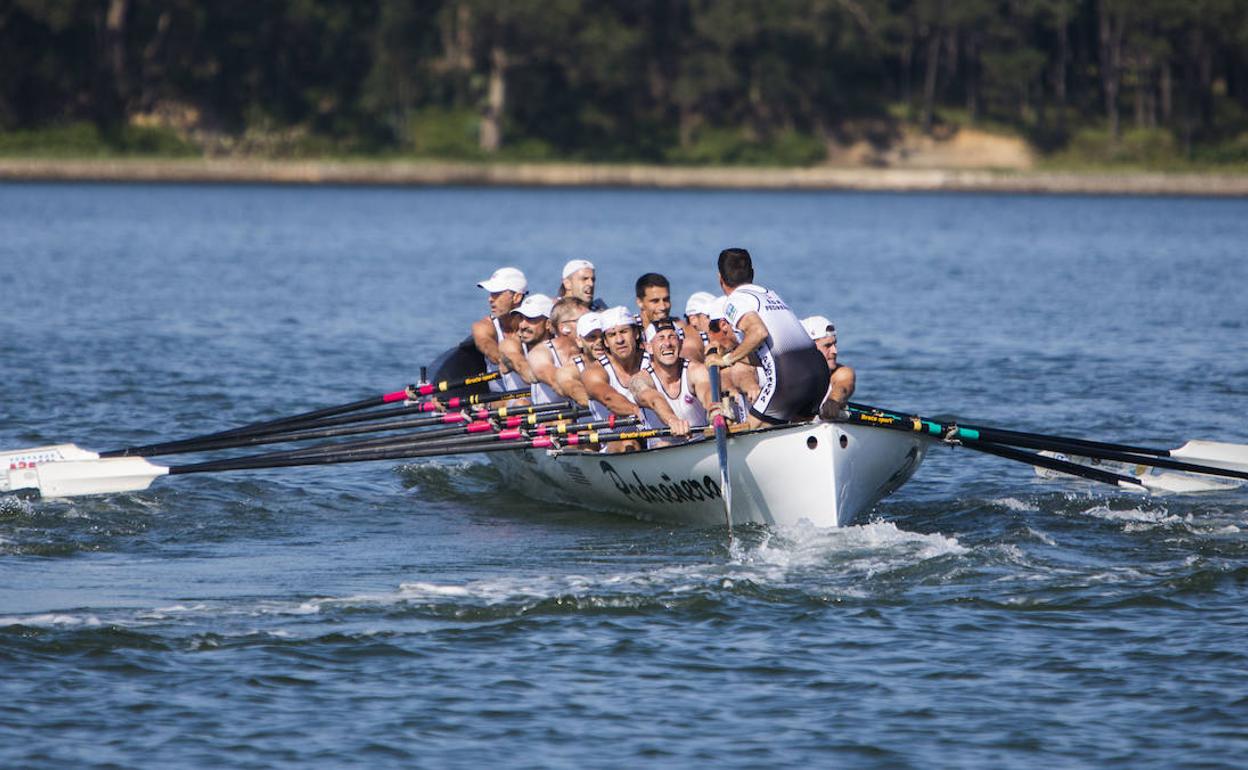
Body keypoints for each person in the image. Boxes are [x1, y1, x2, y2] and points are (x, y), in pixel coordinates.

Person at [713, 248, 828, 427]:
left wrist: (726, 360)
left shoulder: (735, 300)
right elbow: (769, 352)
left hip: (788, 378)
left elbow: (758, 333)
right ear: (752, 273)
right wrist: (735, 355)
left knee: (750, 429)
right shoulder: (770, 294)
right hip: (819, 373)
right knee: (797, 431)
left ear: (720, 279)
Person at [563, 306, 691, 450]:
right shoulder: (593, 372)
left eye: (624, 332)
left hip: (660, 439)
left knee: (662, 444)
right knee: (629, 444)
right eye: (612, 335)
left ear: (636, 333)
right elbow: (609, 399)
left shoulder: (655, 359)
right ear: (605, 342)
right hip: (617, 443)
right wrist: (636, 411)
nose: (619, 340)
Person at [631, 319, 712, 447]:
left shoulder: (696, 369)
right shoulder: (640, 380)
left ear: (680, 343)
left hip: (700, 444)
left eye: (672, 337)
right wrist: (672, 420)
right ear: (649, 348)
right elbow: (654, 399)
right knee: (663, 445)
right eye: (661, 338)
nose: (667, 343)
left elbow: (706, 390)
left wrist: (714, 408)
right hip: (662, 450)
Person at [471, 266, 529, 393]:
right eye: (491, 294)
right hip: (502, 403)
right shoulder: (483, 326)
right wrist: (503, 360)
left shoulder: (535, 325)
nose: (490, 299)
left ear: (517, 297)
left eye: (497, 294)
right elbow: (485, 344)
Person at [522, 296, 589, 404]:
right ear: (564, 328)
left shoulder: (594, 350)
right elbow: (556, 382)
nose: (590, 326)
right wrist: (587, 399)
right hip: (552, 418)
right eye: (583, 321)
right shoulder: (540, 353)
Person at [497, 294, 556, 404]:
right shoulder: (509, 345)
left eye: (530, 319)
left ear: (548, 323)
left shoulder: (561, 346)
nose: (522, 325)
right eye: (521, 318)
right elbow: (522, 367)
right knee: (521, 404)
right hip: (520, 414)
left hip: (557, 416)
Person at [634, 272, 704, 363]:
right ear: (640, 302)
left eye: (666, 300)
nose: (663, 307)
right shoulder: (630, 329)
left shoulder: (682, 329)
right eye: (655, 301)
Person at [801, 316, 857, 419]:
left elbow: (843, 387)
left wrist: (833, 401)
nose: (835, 351)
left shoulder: (842, 372)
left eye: (835, 344)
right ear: (809, 347)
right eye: (827, 346)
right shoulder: (789, 372)